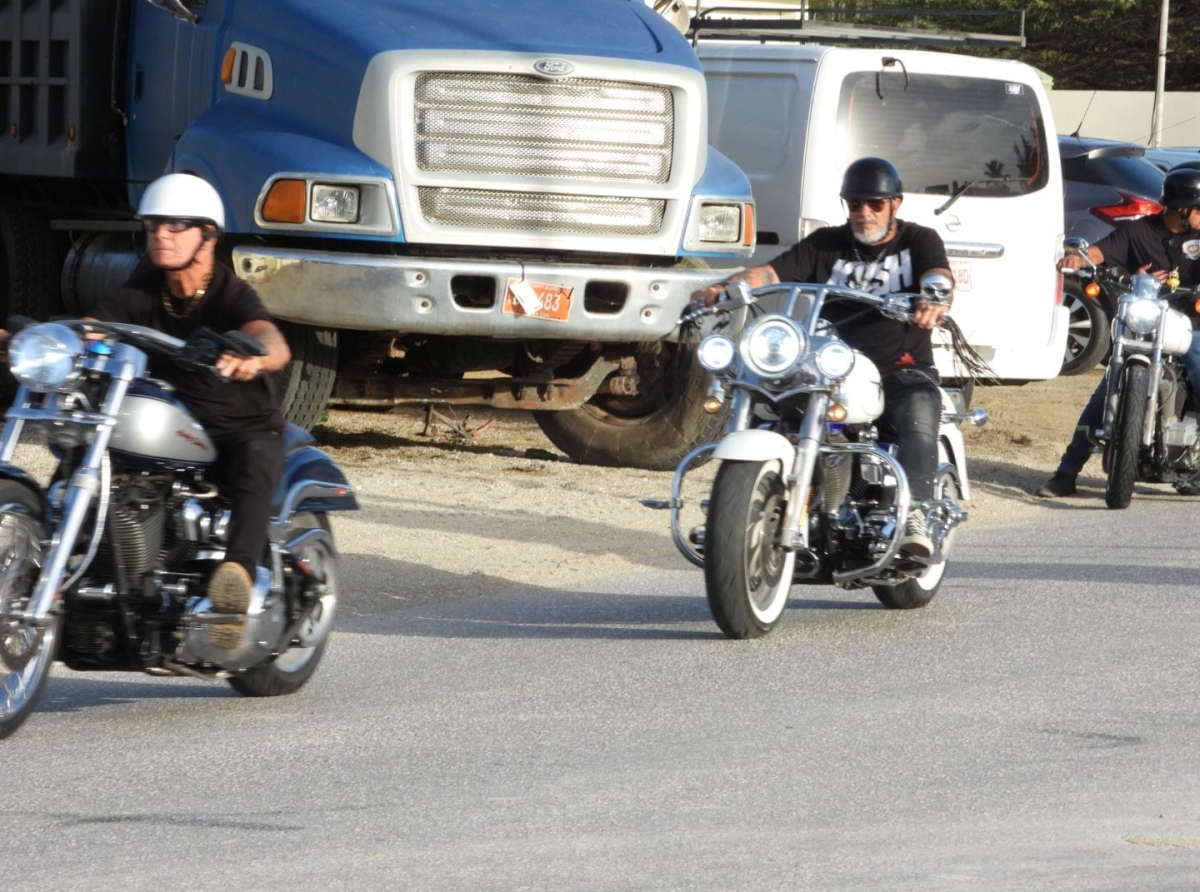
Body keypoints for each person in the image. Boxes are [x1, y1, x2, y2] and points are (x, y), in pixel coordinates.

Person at [691, 157, 953, 557]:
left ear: (895, 204)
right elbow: (771, 273)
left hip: (900, 363)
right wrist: (723, 289)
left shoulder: (918, 239)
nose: (864, 213)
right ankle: (743, 509)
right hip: (829, 361)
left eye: (874, 204)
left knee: (918, 412)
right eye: (854, 204)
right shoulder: (826, 243)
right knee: (769, 407)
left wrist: (935, 294)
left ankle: (916, 512)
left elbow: (938, 273)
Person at [88, 173, 292, 640]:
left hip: (237, 425)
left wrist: (255, 355)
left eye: (177, 225)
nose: (161, 234)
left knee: (257, 458)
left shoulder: (228, 292)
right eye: (155, 224)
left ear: (208, 235)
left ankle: (236, 581)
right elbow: (92, 326)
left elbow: (271, 338)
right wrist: (38, 338)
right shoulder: (142, 290)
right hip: (170, 420)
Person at [1037, 164, 1200, 499]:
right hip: (1145, 326)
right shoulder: (1138, 232)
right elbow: (1098, 251)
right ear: (1182, 209)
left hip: (1190, 326)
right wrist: (1078, 260)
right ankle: (1067, 472)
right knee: (1107, 385)